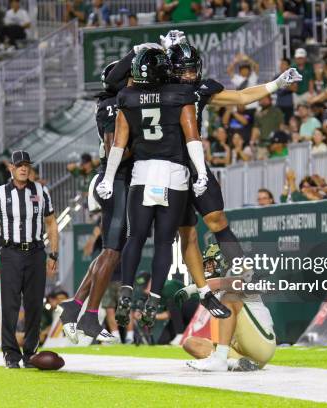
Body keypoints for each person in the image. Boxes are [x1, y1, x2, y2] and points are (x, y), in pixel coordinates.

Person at [104, 35, 300, 324]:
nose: (189, 76)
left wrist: (276, 84)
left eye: (192, 70)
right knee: (187, 233)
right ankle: (204, 291)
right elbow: (120, 80)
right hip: (170, 168)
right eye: (182, 70)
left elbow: (241, 97)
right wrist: (159, 50)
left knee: (217, 219)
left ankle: (243, 269)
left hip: (192, 167)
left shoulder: (197, 89)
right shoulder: (159, 87)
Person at [96, 46, 211, 329]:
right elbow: (193, 138)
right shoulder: (179, 95)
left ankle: (125, 290)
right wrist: (202, 173)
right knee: (163, 242)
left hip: (142, 174)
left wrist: (108, 179)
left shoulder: (127, 98)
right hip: (173, 175)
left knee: (135, 237)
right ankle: (155, 297)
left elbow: (119, 144)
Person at [58, 61, 128, 345]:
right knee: (111, 252)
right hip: (115, 179)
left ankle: (74, 307)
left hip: (113, 179)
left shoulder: (114, 101)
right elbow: (115, 148)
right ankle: (89, 315)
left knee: (109, 254)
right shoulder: (113, 104)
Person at [0, 150, 59, 368]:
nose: (24, 168)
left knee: (35, 304)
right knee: (9, 305)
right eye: (19, 165)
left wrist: (53, 253)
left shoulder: (41, 191)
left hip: (36, 252)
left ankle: (30, 353)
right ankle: (10, 354)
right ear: (11, 168)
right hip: (10, 253)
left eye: (27, 165)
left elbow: (51, 222)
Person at [179, 244, 277, 371]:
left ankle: (221, 360)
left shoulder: (236, 270)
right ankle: (234, 363)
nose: (208, 268)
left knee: (229, 298)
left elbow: (238, 283)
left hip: (261, 343)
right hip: (241, 351)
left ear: (223, 262)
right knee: (190, 343)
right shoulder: (218, 285)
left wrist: (194, 288)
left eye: (211, 263)